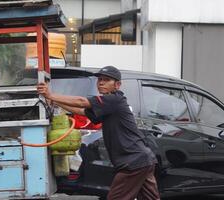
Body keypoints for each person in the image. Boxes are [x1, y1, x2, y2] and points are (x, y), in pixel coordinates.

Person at [37, 66, 160, 200]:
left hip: (133, 163)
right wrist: (55, 101)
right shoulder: (108, 104)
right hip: (144, 160)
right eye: (100, 79)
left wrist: (50, 95)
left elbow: (82, 102)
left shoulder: (114, 99)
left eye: (106, 80)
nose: (101, 82)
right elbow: (82, 111)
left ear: (117, 85)